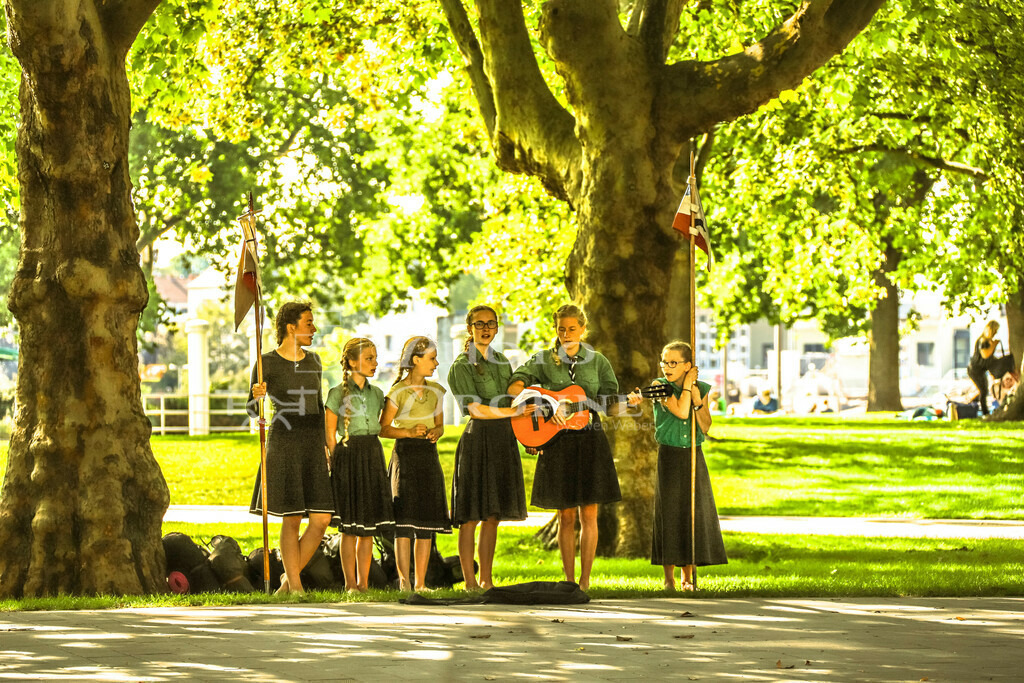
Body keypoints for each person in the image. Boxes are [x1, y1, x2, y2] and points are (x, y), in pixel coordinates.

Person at [507, 304, 623, 592]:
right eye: (561, 329)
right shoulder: (543, 359)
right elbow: (515, 385)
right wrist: (537, 403)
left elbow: (612, 405)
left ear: (583, 329)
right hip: (557, 442)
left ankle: (584, 581)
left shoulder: (598, 362)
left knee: (589, 513)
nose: (566, 334)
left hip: (589, 440)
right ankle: (568, 580)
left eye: (572, 328)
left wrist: (628, 403)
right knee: (566, 515)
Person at [248, 301, 333, 594]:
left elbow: (320, 406)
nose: (314, 328)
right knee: (293, 516)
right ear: (290, 327)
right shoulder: (266, 362)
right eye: (308, 323)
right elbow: (251, 407)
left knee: (322, 518)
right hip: (284, 440)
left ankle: (286, 584)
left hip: (312, 442)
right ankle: (296, 586)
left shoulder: (315, 361)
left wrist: (327, 444)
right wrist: (258, 396)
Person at [448, 305, 535, 591]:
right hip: (477, 441)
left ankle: (487, 579)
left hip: (503, 441)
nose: (485, 328)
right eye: (479, 324)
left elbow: (514, 405)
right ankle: (469, 582)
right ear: (469, 328)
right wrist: (514, 415)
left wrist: (529, 439)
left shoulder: (502, 362)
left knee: (493, 516)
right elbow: (475, 410)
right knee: (471, 516)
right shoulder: (461, 366)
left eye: (490, 324)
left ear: (496, 328)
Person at [628, 341, 727, 591]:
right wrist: (686, 390)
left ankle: (688, 576)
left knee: (691, 512)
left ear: (687, 366)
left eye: (673, 363)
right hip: (670, 455)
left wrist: (697, 399)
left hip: (694, 454)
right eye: (664, 362)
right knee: (670, 512)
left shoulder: (699, 388)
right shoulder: (660, 386)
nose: (667, 367)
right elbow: (681, 412)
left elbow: (704, 425)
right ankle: (669, 578)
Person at [379, 336, 451, 592]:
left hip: (428, 457)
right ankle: (404, 581)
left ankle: (421, 583)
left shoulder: (437, 391)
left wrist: (437, 432)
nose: (436, 363)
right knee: (404, 523)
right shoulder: (397, 392)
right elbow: (383, 429)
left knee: (425, 523)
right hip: (405, 457)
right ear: (416, 360)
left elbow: (440, 425)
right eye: (432, 359)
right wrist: (408, 433)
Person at [325, 337, 394, 593]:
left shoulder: (377, 394)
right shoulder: (337, 394)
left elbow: (383, 425)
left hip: (372, 455)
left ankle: (364, 584)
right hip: (348, 457)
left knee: (367, 528)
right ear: (352, 362)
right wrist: (338, 463)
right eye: (369, 359)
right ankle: (350, 583)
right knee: (350, 528)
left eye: (375, 358)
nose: (375, 364)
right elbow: (330, 434)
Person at [967, 321, 1001, 417]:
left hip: (981, 370)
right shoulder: (983, 341)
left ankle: (973, 405)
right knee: (983, 391)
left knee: (984, 390)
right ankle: (985, 413)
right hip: (975, 370)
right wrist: (994, 345)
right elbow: (985, 355)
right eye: (995, 330)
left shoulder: (988, 341)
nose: (996, 333)